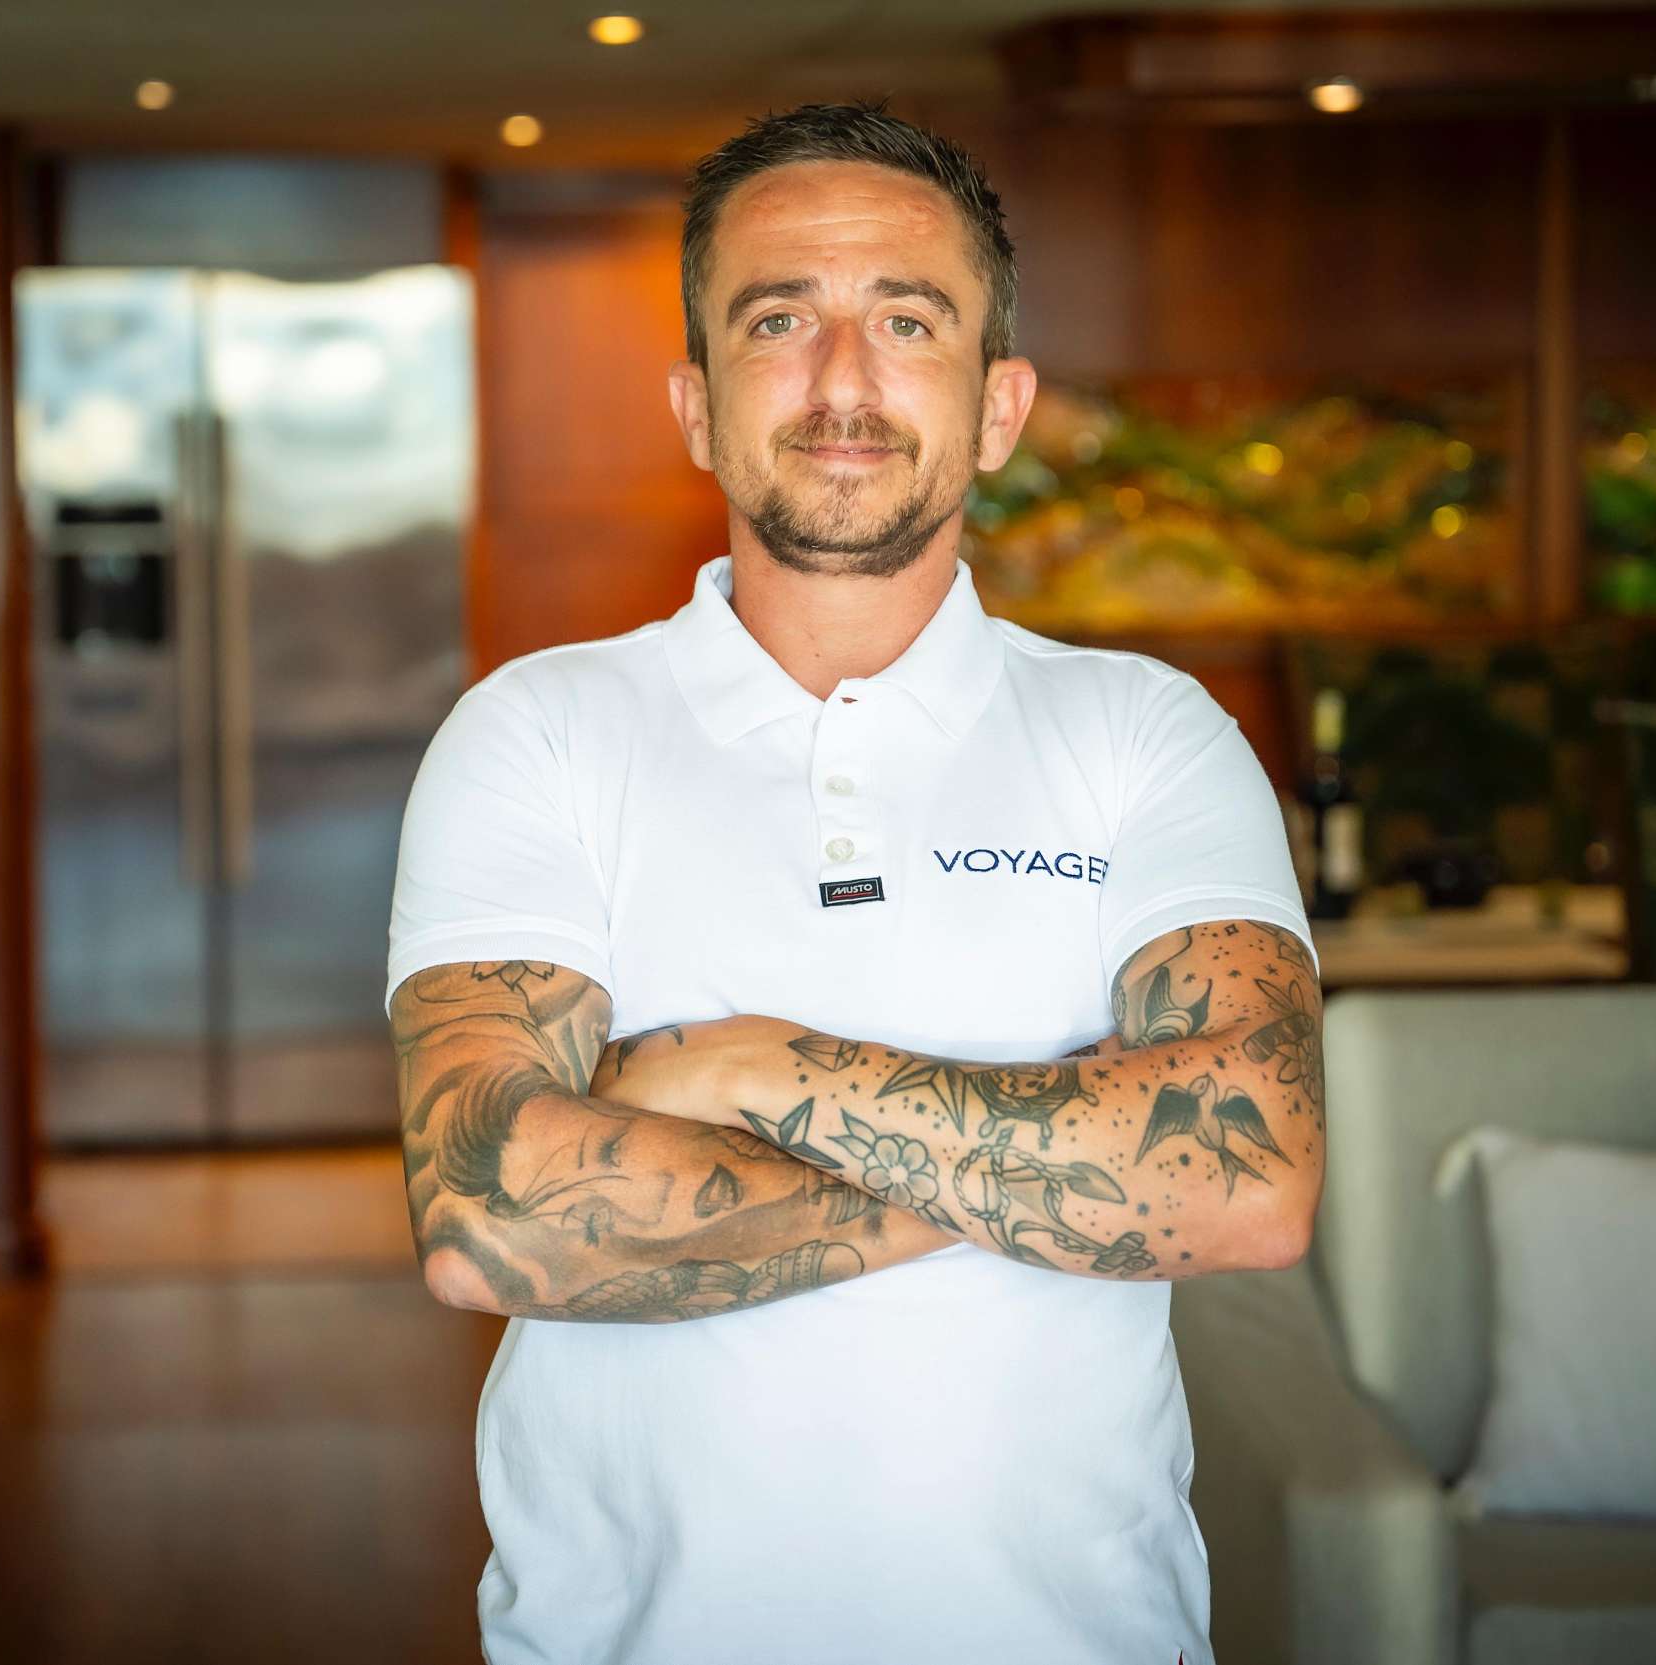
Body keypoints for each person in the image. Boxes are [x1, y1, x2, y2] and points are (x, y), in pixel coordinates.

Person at [386, 100, 1326, 1665]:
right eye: (778, 321)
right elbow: (488, 1215)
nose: (841, 381)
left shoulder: (1148, 732)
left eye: (907, 321)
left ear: (998, 405)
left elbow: (1251, 1175)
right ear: (697, 405)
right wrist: (1066, 1160)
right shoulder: (535, 732)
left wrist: (752, 1068)